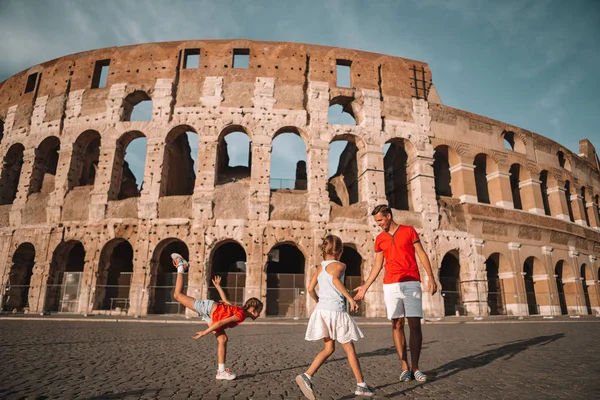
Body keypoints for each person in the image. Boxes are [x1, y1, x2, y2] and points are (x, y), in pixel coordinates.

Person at [354, 205, 437, 383]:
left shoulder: (409, 231)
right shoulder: (379, 239)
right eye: (376, 221)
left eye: (381, 220)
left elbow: (421, 254)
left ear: (389, 216)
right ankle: (404, 367)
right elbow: (377, 266)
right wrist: (365, 286)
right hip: (390, 285)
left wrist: (431, 277)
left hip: (411, 282)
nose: (379, 224)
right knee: (396, 324)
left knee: (415, 324)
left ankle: (416, 367)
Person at [295, 235, 375, 399]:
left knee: (329, 348)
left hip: (322, 311)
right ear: (340, 251)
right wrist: (350, 298)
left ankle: (307, 375)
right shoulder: (340, 265)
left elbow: (310, 289)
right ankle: (361, 385)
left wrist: (319, 302)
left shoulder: (320, 267)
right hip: (336, 312)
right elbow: (335, 280)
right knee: (349, 348)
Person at [171, 253, 263, 380]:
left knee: (223, 339)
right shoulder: (240, 315)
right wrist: (204, 333)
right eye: (259, 310)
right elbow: (220, 323)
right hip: (208, 308)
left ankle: (221, 372)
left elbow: (225, 300)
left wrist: (218, 286)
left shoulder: (239, 310)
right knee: (177, 295)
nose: (260, 313)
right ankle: (181, 265)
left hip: (211, 314)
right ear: (252, 310)